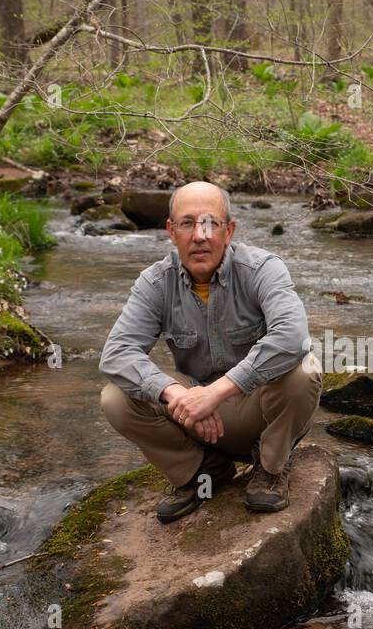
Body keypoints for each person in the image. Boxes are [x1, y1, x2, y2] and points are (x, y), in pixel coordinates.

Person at [99, 180, 321, 522]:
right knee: (115, 398)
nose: (199, 235)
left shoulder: (262, 269)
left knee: (305, 367)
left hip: (256, 411)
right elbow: (117, 352)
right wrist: (176, 395)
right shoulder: (155, 282)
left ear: (229, 231)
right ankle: (203, 471)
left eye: (210, 223)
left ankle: (271, 467)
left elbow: (293, 337)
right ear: (171, 232)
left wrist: (216, 393)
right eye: (187, 223)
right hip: (196, 419)